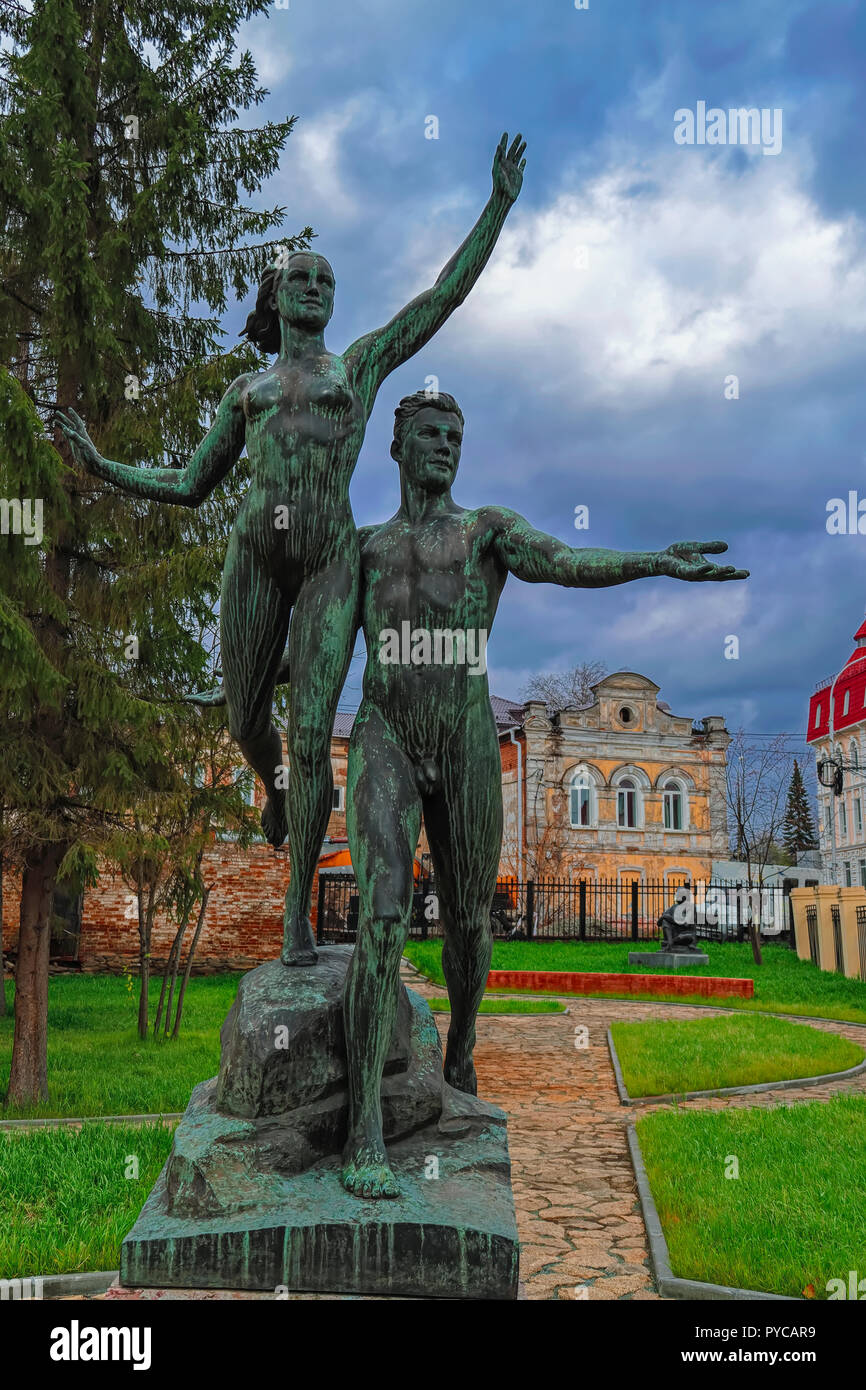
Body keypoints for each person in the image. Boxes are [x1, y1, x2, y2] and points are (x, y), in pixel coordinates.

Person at [53, 134, 527, 965]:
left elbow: (439, 300)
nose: (314, 287)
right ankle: (275, 786)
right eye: (300, 279)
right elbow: (190, 482)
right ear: (277, 301)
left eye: (326, 280)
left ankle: (297, 912)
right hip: (254, 558)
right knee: (246, 720)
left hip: (328, 566)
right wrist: (100, 465)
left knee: (313, 738)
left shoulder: (362, 367)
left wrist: (497, 205)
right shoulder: (248, 392)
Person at [341, 389, 748, 1197]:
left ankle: (460, 1048)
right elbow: (317, 649)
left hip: (463, 736)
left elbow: (564, 561)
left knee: (467, 920)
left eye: (457, 435)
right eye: (430, 434)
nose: (446, 446)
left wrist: (653, 561)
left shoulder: (484, 530)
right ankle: (363, 1130)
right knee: (383, 908)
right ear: (396, 446)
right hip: (385, 729)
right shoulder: (366, 548)